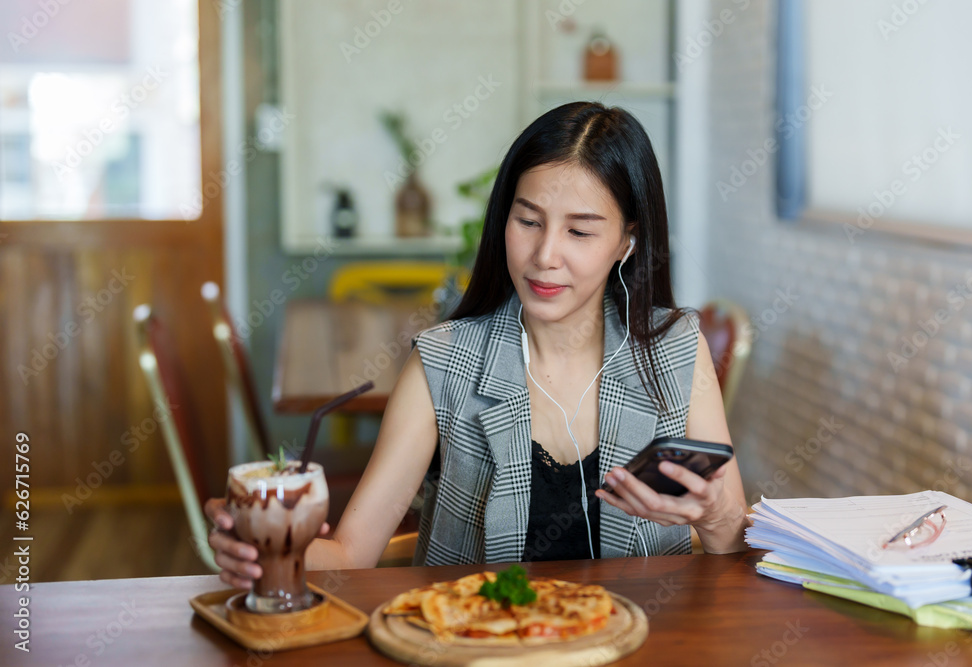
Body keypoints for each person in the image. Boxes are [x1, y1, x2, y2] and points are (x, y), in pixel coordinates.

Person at [206, 101, 749, 589]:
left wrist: (713, 517)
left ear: (626, 242)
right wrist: (264, 549)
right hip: (477, 646)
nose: (544, 255)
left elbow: (732, 549)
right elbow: (352, 552)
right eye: (528, 221)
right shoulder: (443, 361)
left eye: (579, 232)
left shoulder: (675, 350)